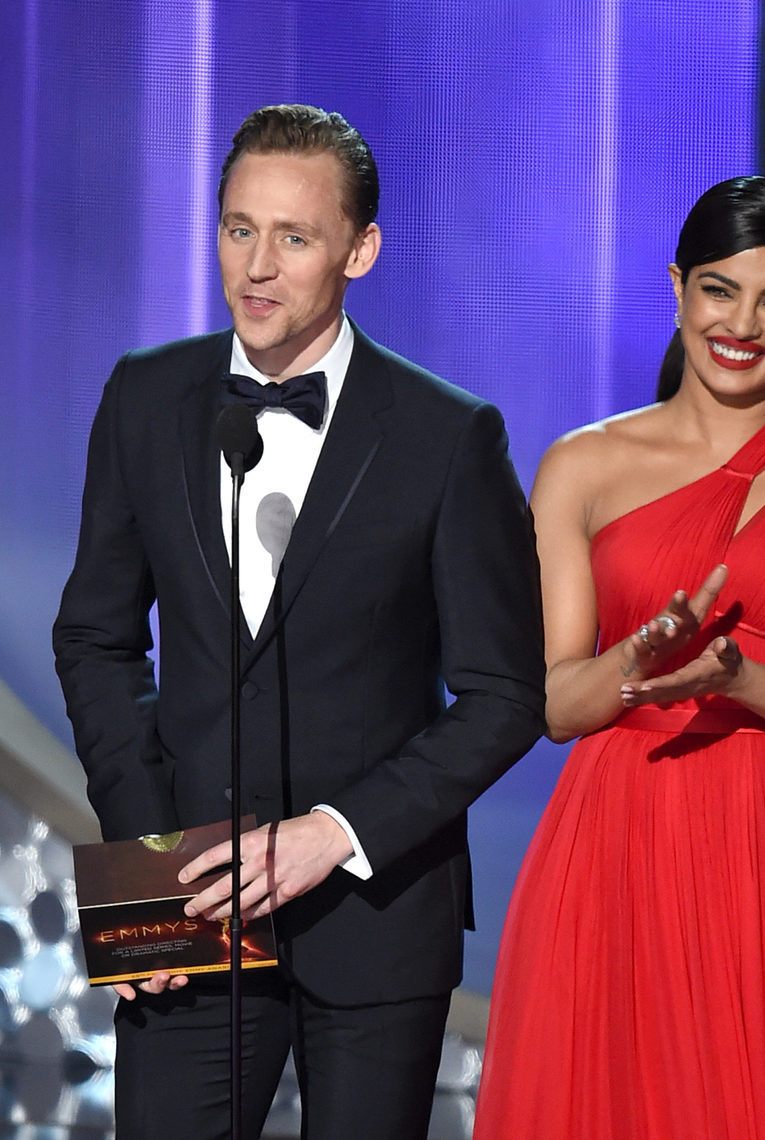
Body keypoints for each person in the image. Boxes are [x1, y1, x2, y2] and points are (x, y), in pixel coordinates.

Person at [53, 104, 544, 1139]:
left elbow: (503, 696)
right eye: (238, 229)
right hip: (183, 908)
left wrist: (337, 834)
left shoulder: (446, 435)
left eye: (294, 236)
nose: (257, 267)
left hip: (376, 921)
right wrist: (147, 866)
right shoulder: (146, 397)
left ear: (360, 249)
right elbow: (96, 636)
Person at [473, 176, 765, 1139]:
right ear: (678, 288)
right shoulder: (580, 467)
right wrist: (641, 650)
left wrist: (741, 678)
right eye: (719, 290)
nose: (742, 324)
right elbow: (556, 705)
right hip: (612, 849)